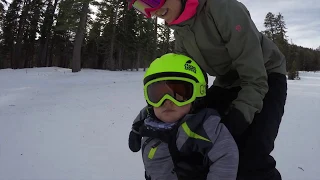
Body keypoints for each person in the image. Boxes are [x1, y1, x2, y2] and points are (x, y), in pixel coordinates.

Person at [127, 0, 288, 179]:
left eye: (152, 0)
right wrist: (151, 114)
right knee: (190, 134)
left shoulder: (221, 8)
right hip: (226, 81)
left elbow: (255, 79)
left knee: (250, 154)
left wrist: (239, 117)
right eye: (141, 7)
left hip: (265, 74)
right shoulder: (181, 32)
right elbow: (180, 88)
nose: (152, 11)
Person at [131, 53, 239, 180]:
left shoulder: (204, 126)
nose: (167, 101)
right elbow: (145, 112)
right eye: (157, 95)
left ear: (197, 95)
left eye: (179, 94)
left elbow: (227, 154)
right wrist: (135, 130)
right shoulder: (149, 118)